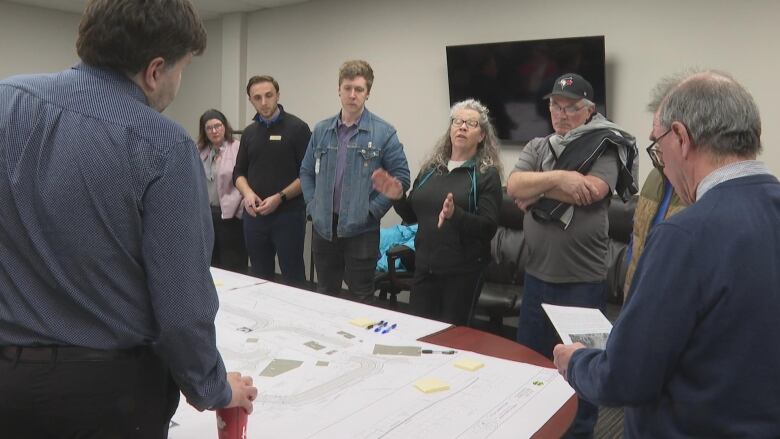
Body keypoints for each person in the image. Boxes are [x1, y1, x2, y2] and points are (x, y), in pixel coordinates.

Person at [0, 1, 257, 437]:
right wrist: (214, 388)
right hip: (108, 398)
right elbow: (181, 308)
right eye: (183, 69)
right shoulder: (164, 146)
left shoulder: (7, 101)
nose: (178, 82)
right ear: (155, 70)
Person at [553, 69, 780, 436]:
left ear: (680, 137)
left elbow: (626, 379)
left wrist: (576, 361)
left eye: (657, 146)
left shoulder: (685, 235)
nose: (662, 161)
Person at [506, 73, 637, 438]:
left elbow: (591, 191)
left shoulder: (606, 145)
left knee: (582, 372)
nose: (561, 115)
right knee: (532, 365)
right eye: (555, 106)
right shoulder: (537, 145)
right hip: (537, 277)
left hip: (582, 281)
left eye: (571, 108)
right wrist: (561, 180)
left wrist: (538, 189)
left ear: (589, 110)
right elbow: (514, 186)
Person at [372, 99, 502, 325]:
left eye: (471, 123)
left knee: (451, 341)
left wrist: (456, 215)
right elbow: (412, 216)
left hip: (462, 274)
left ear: (481, 136)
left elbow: (488, 227)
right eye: (457, 121)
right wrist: (397, 197)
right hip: (425, 269)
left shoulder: (485, 174)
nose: (462, 127)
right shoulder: (432, 169)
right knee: (419, 333)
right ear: (450, 129)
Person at [300, 60, 410, 300]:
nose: (352, 95)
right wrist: (312, 205)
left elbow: (401, 178)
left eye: (359, 89)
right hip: (324, 228)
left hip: (362, 230)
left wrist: (371, 212)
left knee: (362, 297)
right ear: (339, 89)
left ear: (367, 93)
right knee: (325, 294)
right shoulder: (321, 130)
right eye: (347, 88)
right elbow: (306, 172)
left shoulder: (384, 132)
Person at [233, 75, 311, 286]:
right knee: (259, 277)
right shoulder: (249, 133)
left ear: (278, 95)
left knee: (293, 276)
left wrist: (280, 197)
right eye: (257, 97)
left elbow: (308, 175)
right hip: (255, 216)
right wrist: (248, 194)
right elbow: (238, 173)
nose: (264, 102)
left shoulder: (298, 128)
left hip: (288, 215)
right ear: (251, 100)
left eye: (269, 95)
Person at [622, 167, 684, 299]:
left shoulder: (698, 184)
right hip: (635, 294)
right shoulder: (655, 175)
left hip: (669, 299)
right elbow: (637, 233)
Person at [198, 109, 248, 273]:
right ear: (204, 131)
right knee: (212, 263)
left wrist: (240, 209)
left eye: (218, 126)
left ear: (225, 126)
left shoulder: (237, 148)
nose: (214, 131)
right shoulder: (200, 151)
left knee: (233, 264)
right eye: (209, 128)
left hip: (232, 216)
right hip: (207, 214)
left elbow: (244, 178)